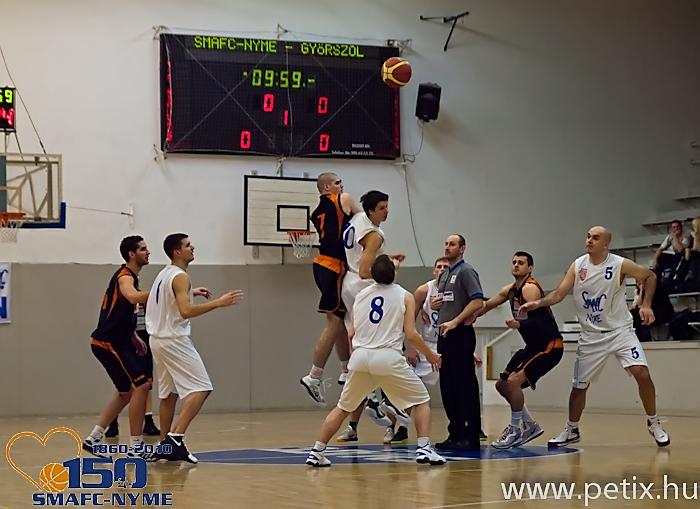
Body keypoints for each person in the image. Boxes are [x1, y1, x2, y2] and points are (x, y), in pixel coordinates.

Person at [520, 226, 670, 448]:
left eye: (595, 238)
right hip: (591, 336)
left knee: (642, 372)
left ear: (606, 244)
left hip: (620, 331)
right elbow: (559, 293)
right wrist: (537, 303)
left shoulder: (620, 264)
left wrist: (646, 304)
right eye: (588, 236)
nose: (589, 240)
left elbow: (650, 276)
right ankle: (571, 430)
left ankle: (654, 422)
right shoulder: (578, 265)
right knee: (579, 387)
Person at [305, 255, 446, 467]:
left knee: (343, 408)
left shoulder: (361, 295)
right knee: (421, 401)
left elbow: (350, 333)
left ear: (372, 274)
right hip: (387, 356)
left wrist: (354, 359)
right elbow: (411, 334)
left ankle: (316, 452)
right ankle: (424, 448)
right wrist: (430, 354)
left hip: (360, 357)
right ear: (394, 273)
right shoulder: (405, 296)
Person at [146, 233, 244, 463]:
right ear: (177, 252)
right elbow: (186, 311)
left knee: (169, 394)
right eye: (188, 245)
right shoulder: (180, 277)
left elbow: (170, 298)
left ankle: (164, 446)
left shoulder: (164, 273)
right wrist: (218, 303)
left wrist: (192, 292)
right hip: (174, 340)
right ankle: (175, 439)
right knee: (202, 387)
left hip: (157, 340)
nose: (193, 248)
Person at [473, 251, 564, 449]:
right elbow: (487, 305)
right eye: (514, 262)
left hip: (550, 346)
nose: (516, 265)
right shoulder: (510, 290)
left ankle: (515, 430)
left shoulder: (530, 289)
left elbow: (539, 321)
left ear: (530, 268)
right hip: (532, 347)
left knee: (513, 382)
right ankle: (530, 425)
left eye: (521, 263)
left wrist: (519, 324)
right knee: (502, 385)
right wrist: (469, 316)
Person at [335, 190, 405, 442]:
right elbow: (366, 270)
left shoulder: (357, 219)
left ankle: (359, 401)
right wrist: (392, 266)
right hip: (363, 288)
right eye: (382, 207)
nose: (387, 211)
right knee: (380, 351)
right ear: (372, 210)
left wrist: (384, 257)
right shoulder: (374, 234)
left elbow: (349, 200)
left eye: (387, 206)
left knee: (360, 351)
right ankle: (374, 399)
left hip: (349, 284)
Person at [82, 236, 154, 460]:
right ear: (132, 254)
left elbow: (121, 313)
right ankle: (136, 446)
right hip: (108, 342)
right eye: (143, 249)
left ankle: (93, 438)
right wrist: (163, 292)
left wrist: (134, 337)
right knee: (142, 385)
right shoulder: (125, 277)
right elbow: (132, 297)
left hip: (118, 341)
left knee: (126, 392)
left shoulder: (132, 277)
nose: (148, 252)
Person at [300, 172, 361, 405]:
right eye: (337, 182)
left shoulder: (317, 211)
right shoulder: (343, 199)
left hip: (324, 266)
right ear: (326, 187)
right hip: (333, 266)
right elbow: (364, 221)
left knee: (339, 321)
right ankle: (314, 376)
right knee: (334, 324)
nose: (341, 185)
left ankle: (345, 371)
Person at [433, 234, 484, 451]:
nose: (447, 247)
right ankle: (455, 433)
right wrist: (436, 306)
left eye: (452, 244)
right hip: (444, 335)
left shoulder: (466, 271)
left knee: (464, 385)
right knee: (448, 386)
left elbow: (478, 300)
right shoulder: (445, 274)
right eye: (446, 244)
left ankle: (471, 435)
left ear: (462, 248)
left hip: (460, 334)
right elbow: (448, 301)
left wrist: (456, 320)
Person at [104, 303, 161, 439]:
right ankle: (112, 420)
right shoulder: (123, 298)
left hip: (145, 336)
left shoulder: (145, 297)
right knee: (127, 383)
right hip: (128, 340)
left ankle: (148, 421)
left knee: (146, 381)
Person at [650, 220, 691, 289]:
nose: (676, 229)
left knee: (677, 257)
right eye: (674, 227)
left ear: (681, 227)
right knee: (659, 258)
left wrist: (675, 237)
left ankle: (671, 282)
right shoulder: (669, 236)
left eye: (677, 227)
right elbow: (661, 248)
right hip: (669, 256)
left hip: (679, 257)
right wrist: (655, 259)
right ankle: (655, 281)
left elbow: (680, 249)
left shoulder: (685, 237)